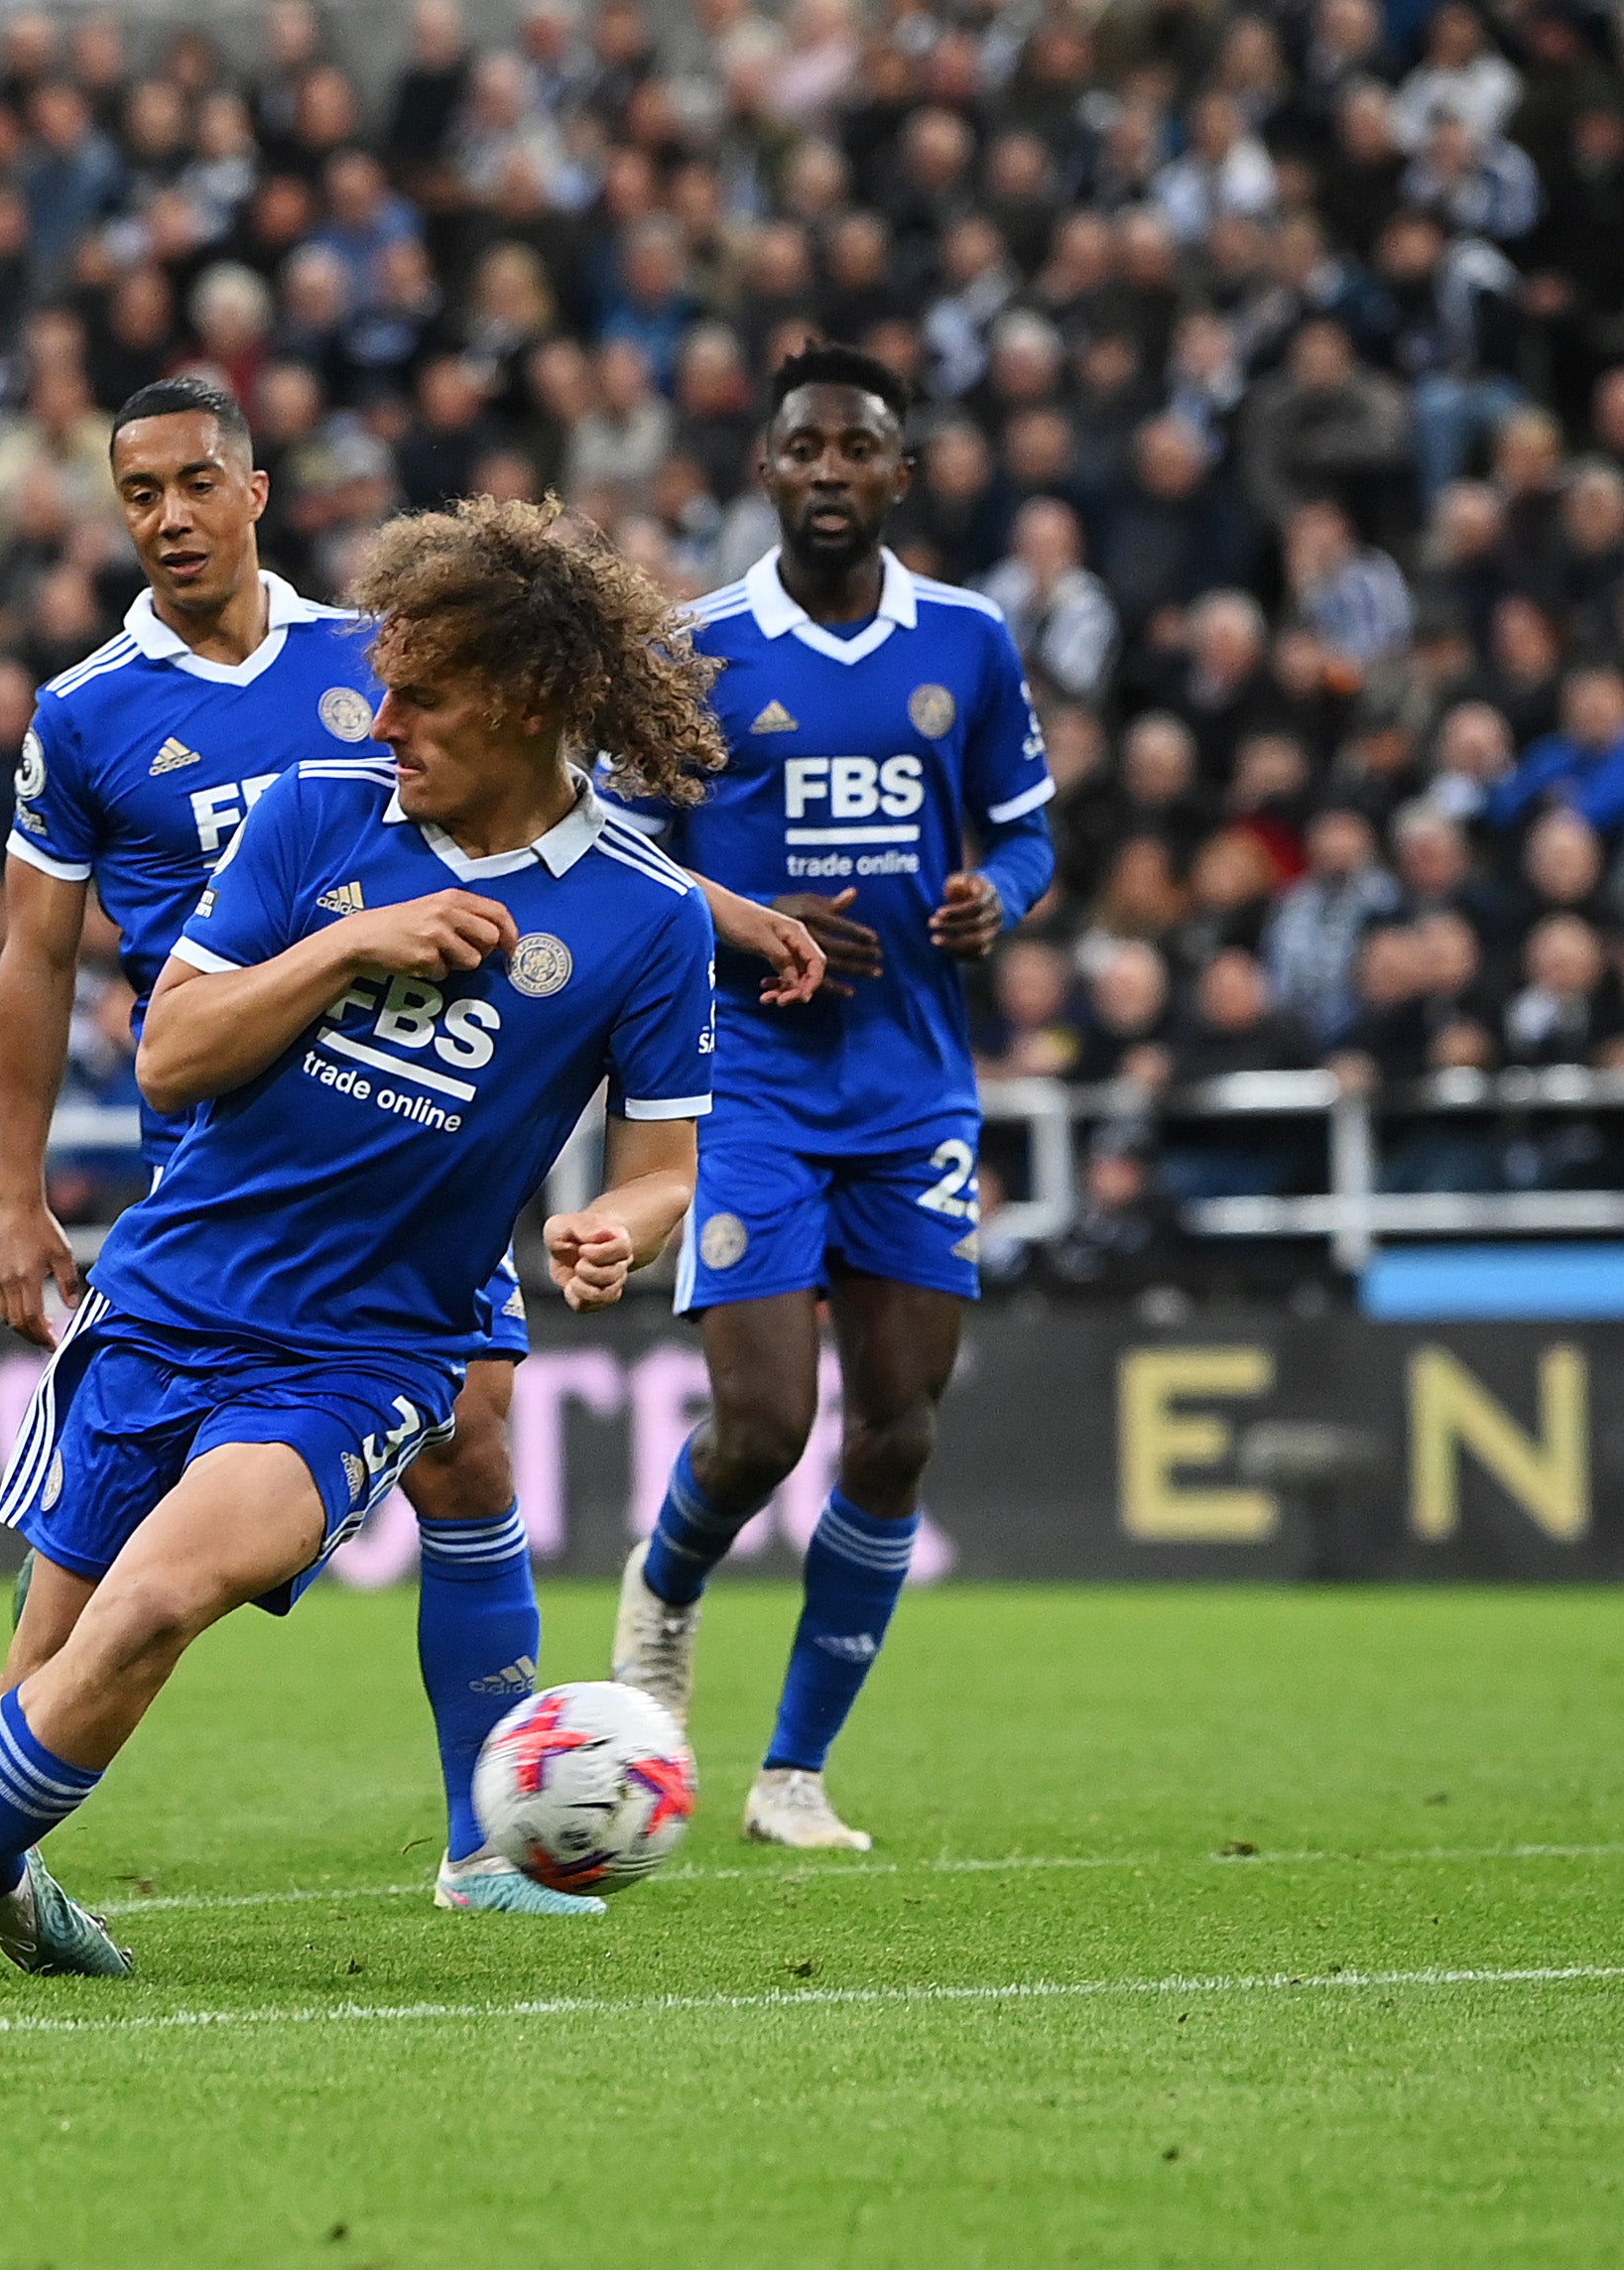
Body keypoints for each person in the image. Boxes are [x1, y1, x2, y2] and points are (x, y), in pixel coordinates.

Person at [0, 498, 723, 2004]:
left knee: (159, 1603)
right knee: (29, 1693)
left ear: (530, 704)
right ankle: (6, 1878)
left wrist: (614, 1227)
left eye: (422, 693)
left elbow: (664, 1164)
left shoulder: (645, 915)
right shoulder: (313, 814)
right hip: (169, 1300)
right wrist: (354, 942)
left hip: (364, 1352)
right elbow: (168, 1056)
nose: (384, 712)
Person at [0, 375, 812, 1927]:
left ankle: (478, 1848)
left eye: (191, 483)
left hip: (422, 1138)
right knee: (95, 1605)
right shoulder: (86, 711)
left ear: (255, 491)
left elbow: (546, 836)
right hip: (231, 1146)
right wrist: (13, 1193)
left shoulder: (377, 654)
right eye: (134, 493)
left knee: (471, 1441)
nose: (164, 516)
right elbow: (32, 963)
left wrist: (724, 914)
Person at [612, 344, 1057, 1850]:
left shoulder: (970, 642)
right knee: (757, 1426)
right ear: (763, 471)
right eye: (800, 446)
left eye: (854, 448)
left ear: (897, 474)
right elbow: (615, 854)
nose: (824, 471)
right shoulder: (693, 649)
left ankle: (790, 1772)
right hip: (748, 1086)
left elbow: (1024, 830)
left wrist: (997, 893)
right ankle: (661, 1599)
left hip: (913, 1091)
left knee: (896, 1432)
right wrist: (748, 912)